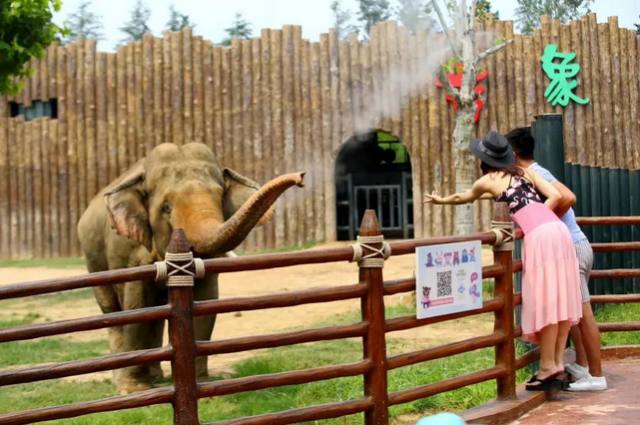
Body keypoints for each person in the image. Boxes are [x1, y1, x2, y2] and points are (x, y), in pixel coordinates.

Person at [424, 131, 583, 391]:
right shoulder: (526, 172)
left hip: (540, 237)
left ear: (484, 159)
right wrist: (541, 215)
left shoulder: (488, 180)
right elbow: (554, 196)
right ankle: (555, 363)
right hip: (559, 232)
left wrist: (439, 200)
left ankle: (546, 368)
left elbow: (462, 197)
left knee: (546, 301)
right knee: (559, 300)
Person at [507, 127, 607, 392]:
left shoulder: (535, 174)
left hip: (570, 248)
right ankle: (584, 367)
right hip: (574, 245)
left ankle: (597, 376)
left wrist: (543, 219)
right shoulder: (534, 173)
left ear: (514, 154)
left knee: (583, 315)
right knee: (570, 311)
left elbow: (567, 197)